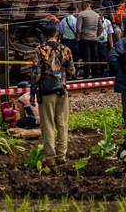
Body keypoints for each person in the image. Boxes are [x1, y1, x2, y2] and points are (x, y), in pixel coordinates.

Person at [30, 22, 76, 168]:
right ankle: (61, 156)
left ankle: (50, 157)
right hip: (62, 90)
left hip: (46, 92)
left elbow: (36, 74)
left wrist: (32, 91)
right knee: (62, 124)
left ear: (43, 35)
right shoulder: (65, 49)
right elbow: (72, 71)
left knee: (48, 124)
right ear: (56, 34)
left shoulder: (40, 49)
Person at [75, 0, 102, 79]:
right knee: (95, 58)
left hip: (84, 39)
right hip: (93, 39)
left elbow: (78, 29)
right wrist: (96, 35)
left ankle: (86, 76)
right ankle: (96, 75)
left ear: (84, 4)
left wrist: (78, 38)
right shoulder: (96, 15)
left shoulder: (82, 14)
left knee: (87, 58)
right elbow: (101, 28)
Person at [57, 3, 80, 77]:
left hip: (65, 42)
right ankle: (73, 75)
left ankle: (65, 75)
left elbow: (60, 33)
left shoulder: (63, 20)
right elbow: (77, 32)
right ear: (75, 10)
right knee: (74, 59)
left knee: (65, 59)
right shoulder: (75, 20)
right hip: (73, 42)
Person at [97, 8, 115, 76]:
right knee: (97, 60)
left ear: (102, 12)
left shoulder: (108, 22)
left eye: (98, 12)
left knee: (103, 60)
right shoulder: (95, 21)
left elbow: (110, 36)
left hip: (104, 44)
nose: (97, 14)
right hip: (96, 43)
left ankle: (102, 74)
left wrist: (112, 47)